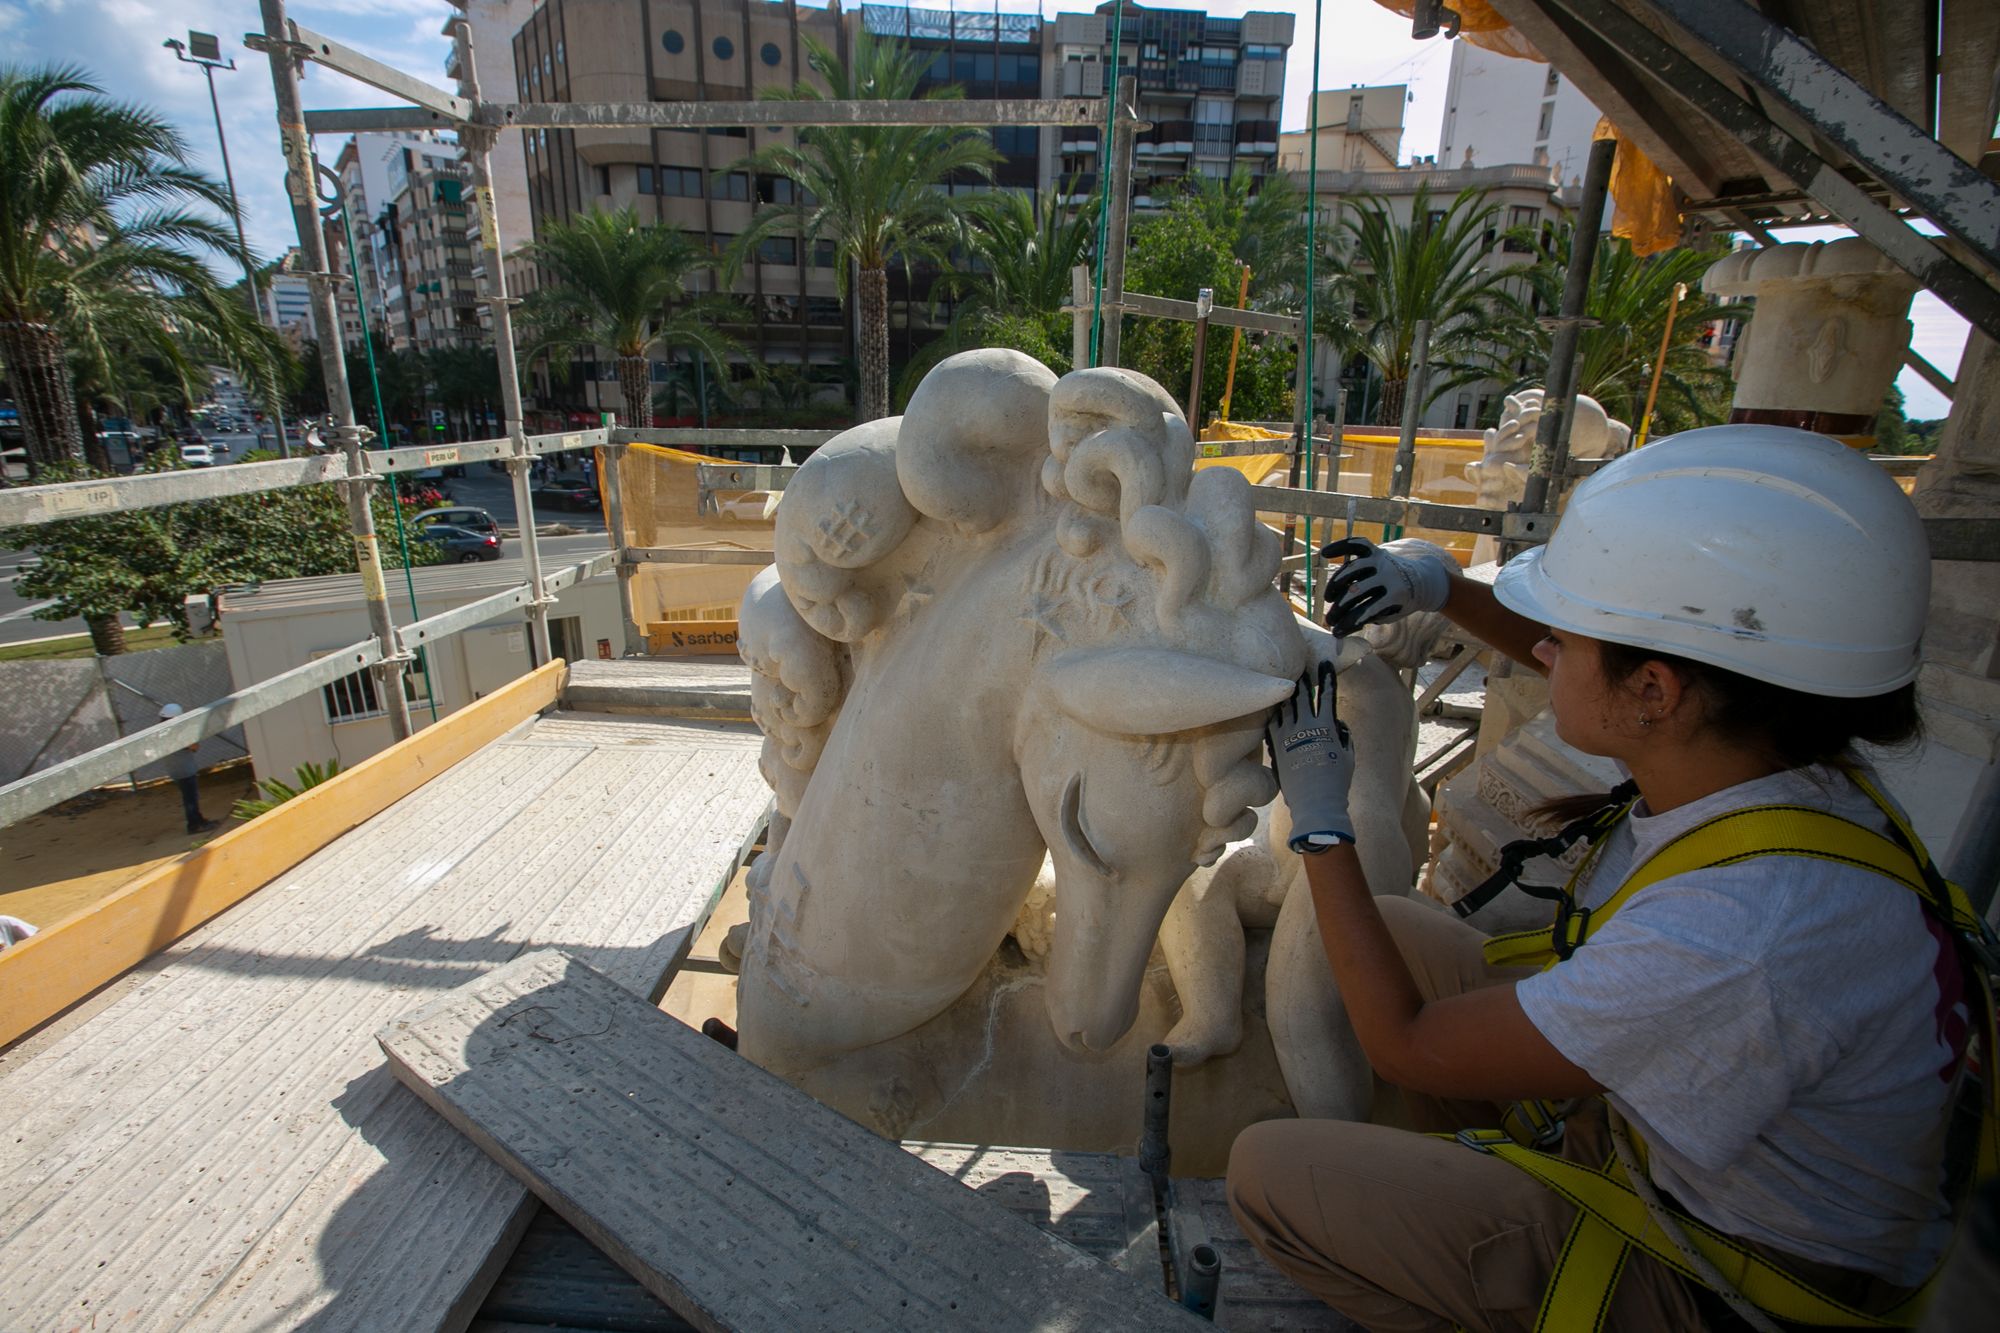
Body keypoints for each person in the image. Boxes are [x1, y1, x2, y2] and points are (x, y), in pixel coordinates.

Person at [1230, 426, 1993, 1332]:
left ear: (1659, 695)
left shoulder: (1743, 933)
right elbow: (1617, 665)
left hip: (1730, 1275)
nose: (1544, 651)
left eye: (1566, 635)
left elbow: (1404, 1042)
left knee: (1271, 1173)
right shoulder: (1776, 760)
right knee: (1396, 928)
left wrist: (1324, 821)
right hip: (1700, 1151)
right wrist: (1445, 586)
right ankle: (1481, 1197)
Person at [158, 703, 222, 836]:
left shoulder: (161, 732)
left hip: (174, 769)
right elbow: (194, 747)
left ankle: (199, 820)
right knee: (190, 799)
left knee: (190, 797)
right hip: (184, 770)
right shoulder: (178, 732)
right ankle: (194, 825)